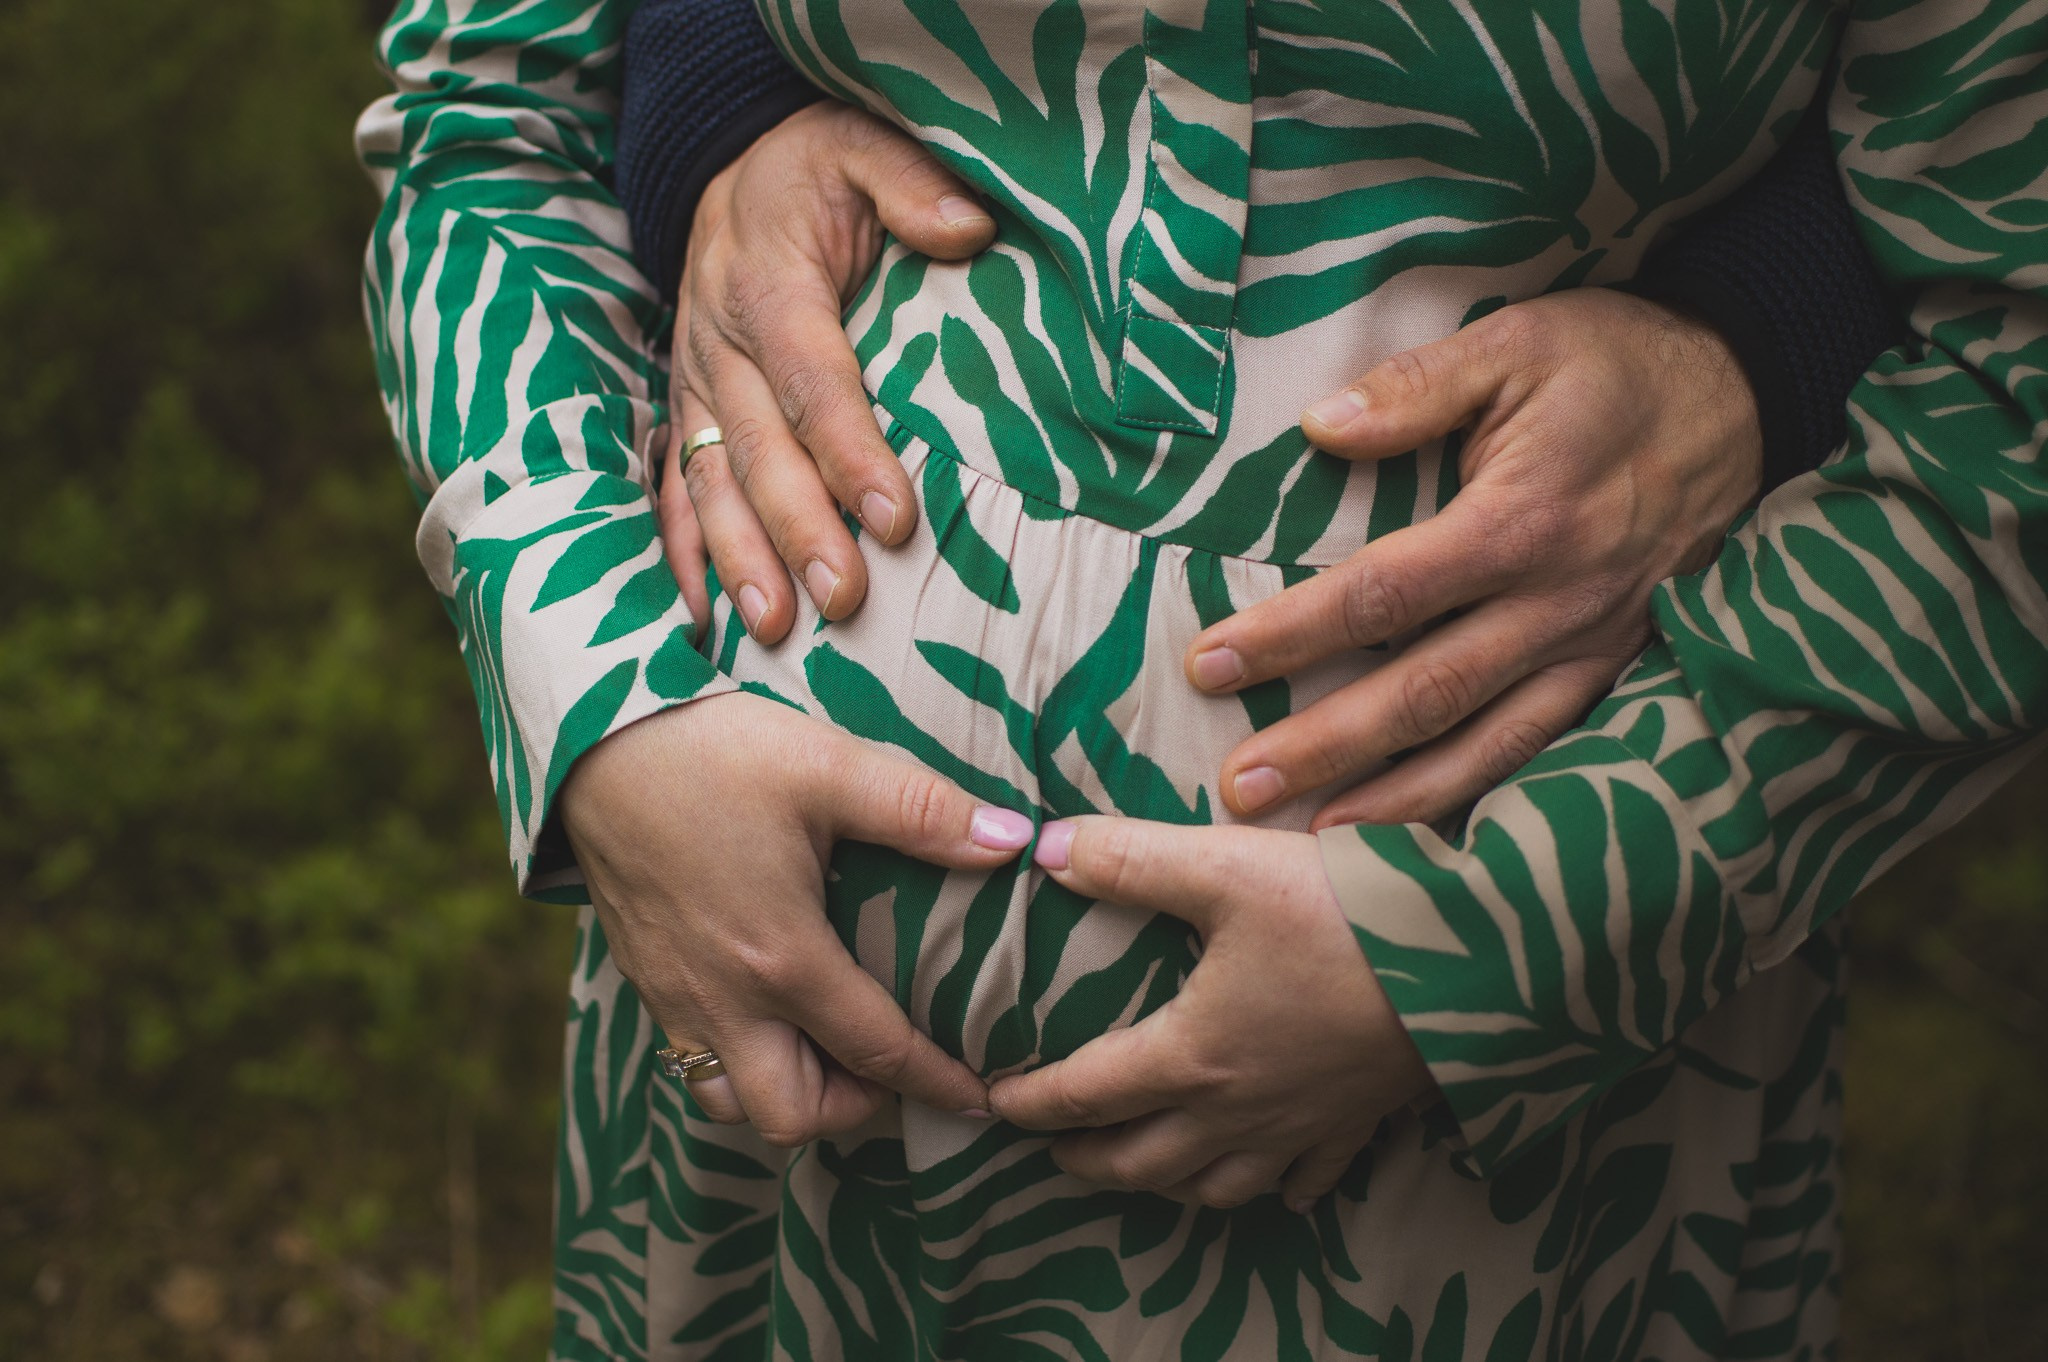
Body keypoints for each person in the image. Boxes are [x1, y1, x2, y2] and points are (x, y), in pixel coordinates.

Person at [353, 2, 2046, 1359]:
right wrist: (599, 697)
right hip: (763, 1104)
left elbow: (2014, 376)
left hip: (1508, 1134)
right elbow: (492, 105)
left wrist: (1521, 933)